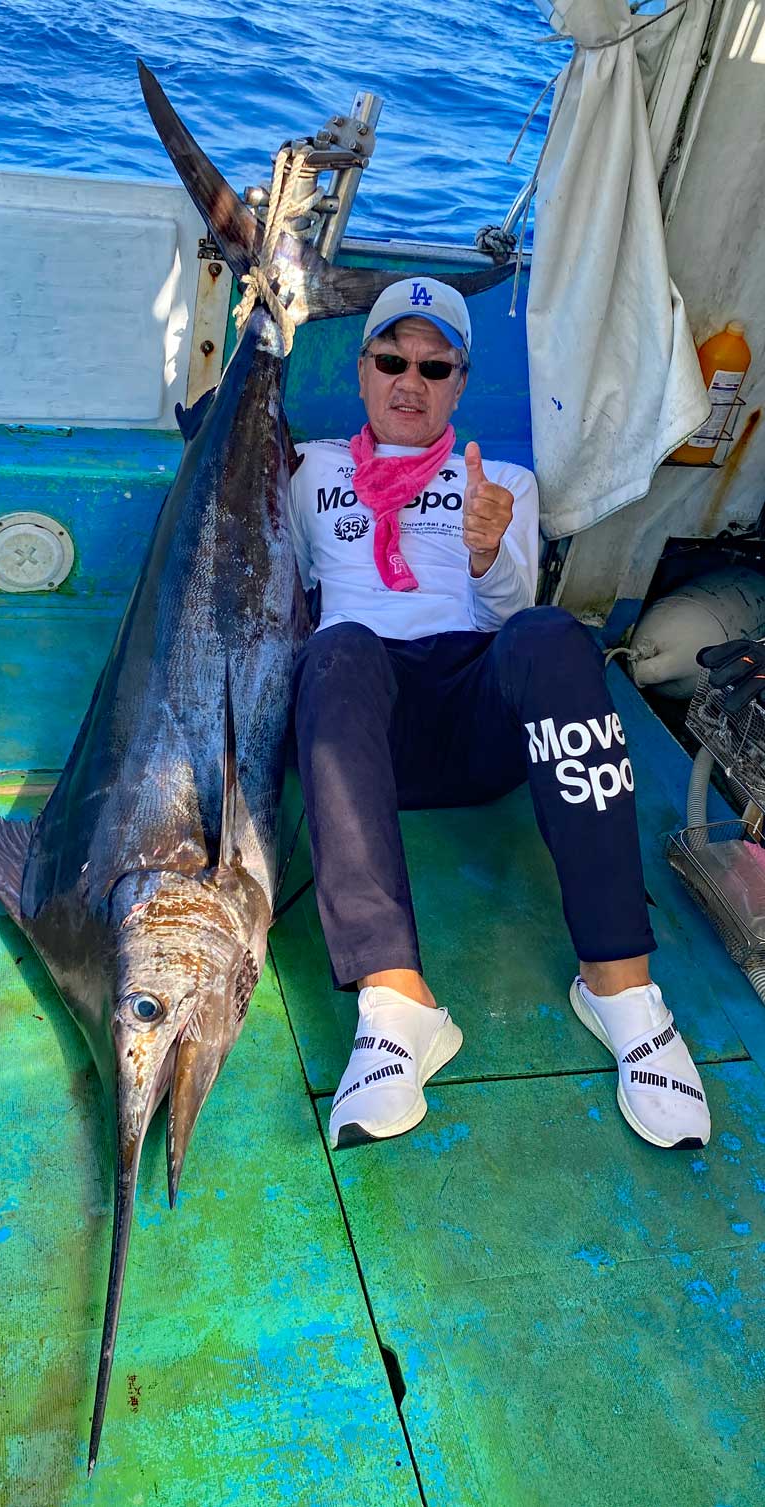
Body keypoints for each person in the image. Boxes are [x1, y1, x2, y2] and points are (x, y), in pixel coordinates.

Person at [288, 275, 711, 1153]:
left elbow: (506, 620)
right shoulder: (309, 472)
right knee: (335, 648)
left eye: (435, 368)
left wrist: (487, 551)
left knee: (554, 634)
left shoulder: (499, 481)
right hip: (361, 720)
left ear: (460, 384)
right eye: (392, 361)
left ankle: (621, 988)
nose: (412, 381)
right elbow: (282, 586)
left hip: (476, 710)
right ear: (363, 372)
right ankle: (397, 1004)